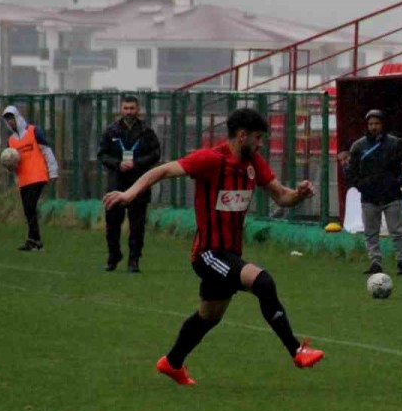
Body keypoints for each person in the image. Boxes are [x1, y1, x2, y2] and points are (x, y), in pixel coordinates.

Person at [102, 107, 324, 385]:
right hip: (208, 253)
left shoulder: (254, 163)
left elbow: (281, 197)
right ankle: (297, 351)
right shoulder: (211, 159)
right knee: (263, 282)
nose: (260, 143)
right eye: (257, 138)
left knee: (209, 316)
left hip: (229, 254)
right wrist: (129, 194)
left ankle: (171, 363)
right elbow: (161, 170)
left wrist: (299, 195)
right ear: (241, 135)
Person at [97, 95, 161, 272]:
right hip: (116, 184)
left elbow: (156, 154)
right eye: (126, 108)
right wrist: (118, 164)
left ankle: (134, 261)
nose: (129, 112)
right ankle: (113, 256)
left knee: (137, 226)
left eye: (132, 108)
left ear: (138, 109)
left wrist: (137, 163)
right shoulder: (111, 131)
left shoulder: (147, 132)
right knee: (112, 225)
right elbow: (101, 155)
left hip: (139, 184)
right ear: (121, 109)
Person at [341, 109, 402, 276]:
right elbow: (351, 171)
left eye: (377, 124)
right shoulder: (358, 146)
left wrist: (397, 183)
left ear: (383, 124)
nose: (373, 127)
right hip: (369, 197)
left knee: (398, 231)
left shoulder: (395, 144)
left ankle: (401, 261)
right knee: (370, 233)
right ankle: (375, 262)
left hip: (391, 195)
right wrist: (361, 186)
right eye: (371, 124)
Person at [2, 106, 59, 252]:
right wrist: (10, 168)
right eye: (7, 119)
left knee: (30, 207)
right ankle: (35, 241)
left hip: (38, 176)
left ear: (17, 117)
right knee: (28, 210)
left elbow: (47, 151)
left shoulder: (34, 131)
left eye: (12, 118)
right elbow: (13, 164)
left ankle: (33, 240)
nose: (10, 121)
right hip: (24, 179)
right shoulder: (11, 141)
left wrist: (53, 172)